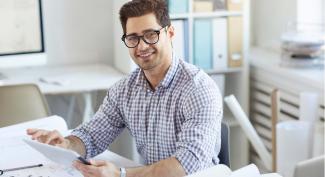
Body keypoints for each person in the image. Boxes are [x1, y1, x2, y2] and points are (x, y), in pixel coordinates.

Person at [27, 0, 223, 176]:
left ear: (170, 33)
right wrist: (66, 144)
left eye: (150, 35)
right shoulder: (124, 90)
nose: (142, 46)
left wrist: (121, 174)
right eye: (133, 38)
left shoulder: (198, 89)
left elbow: (186, 166)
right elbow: (92, 136)